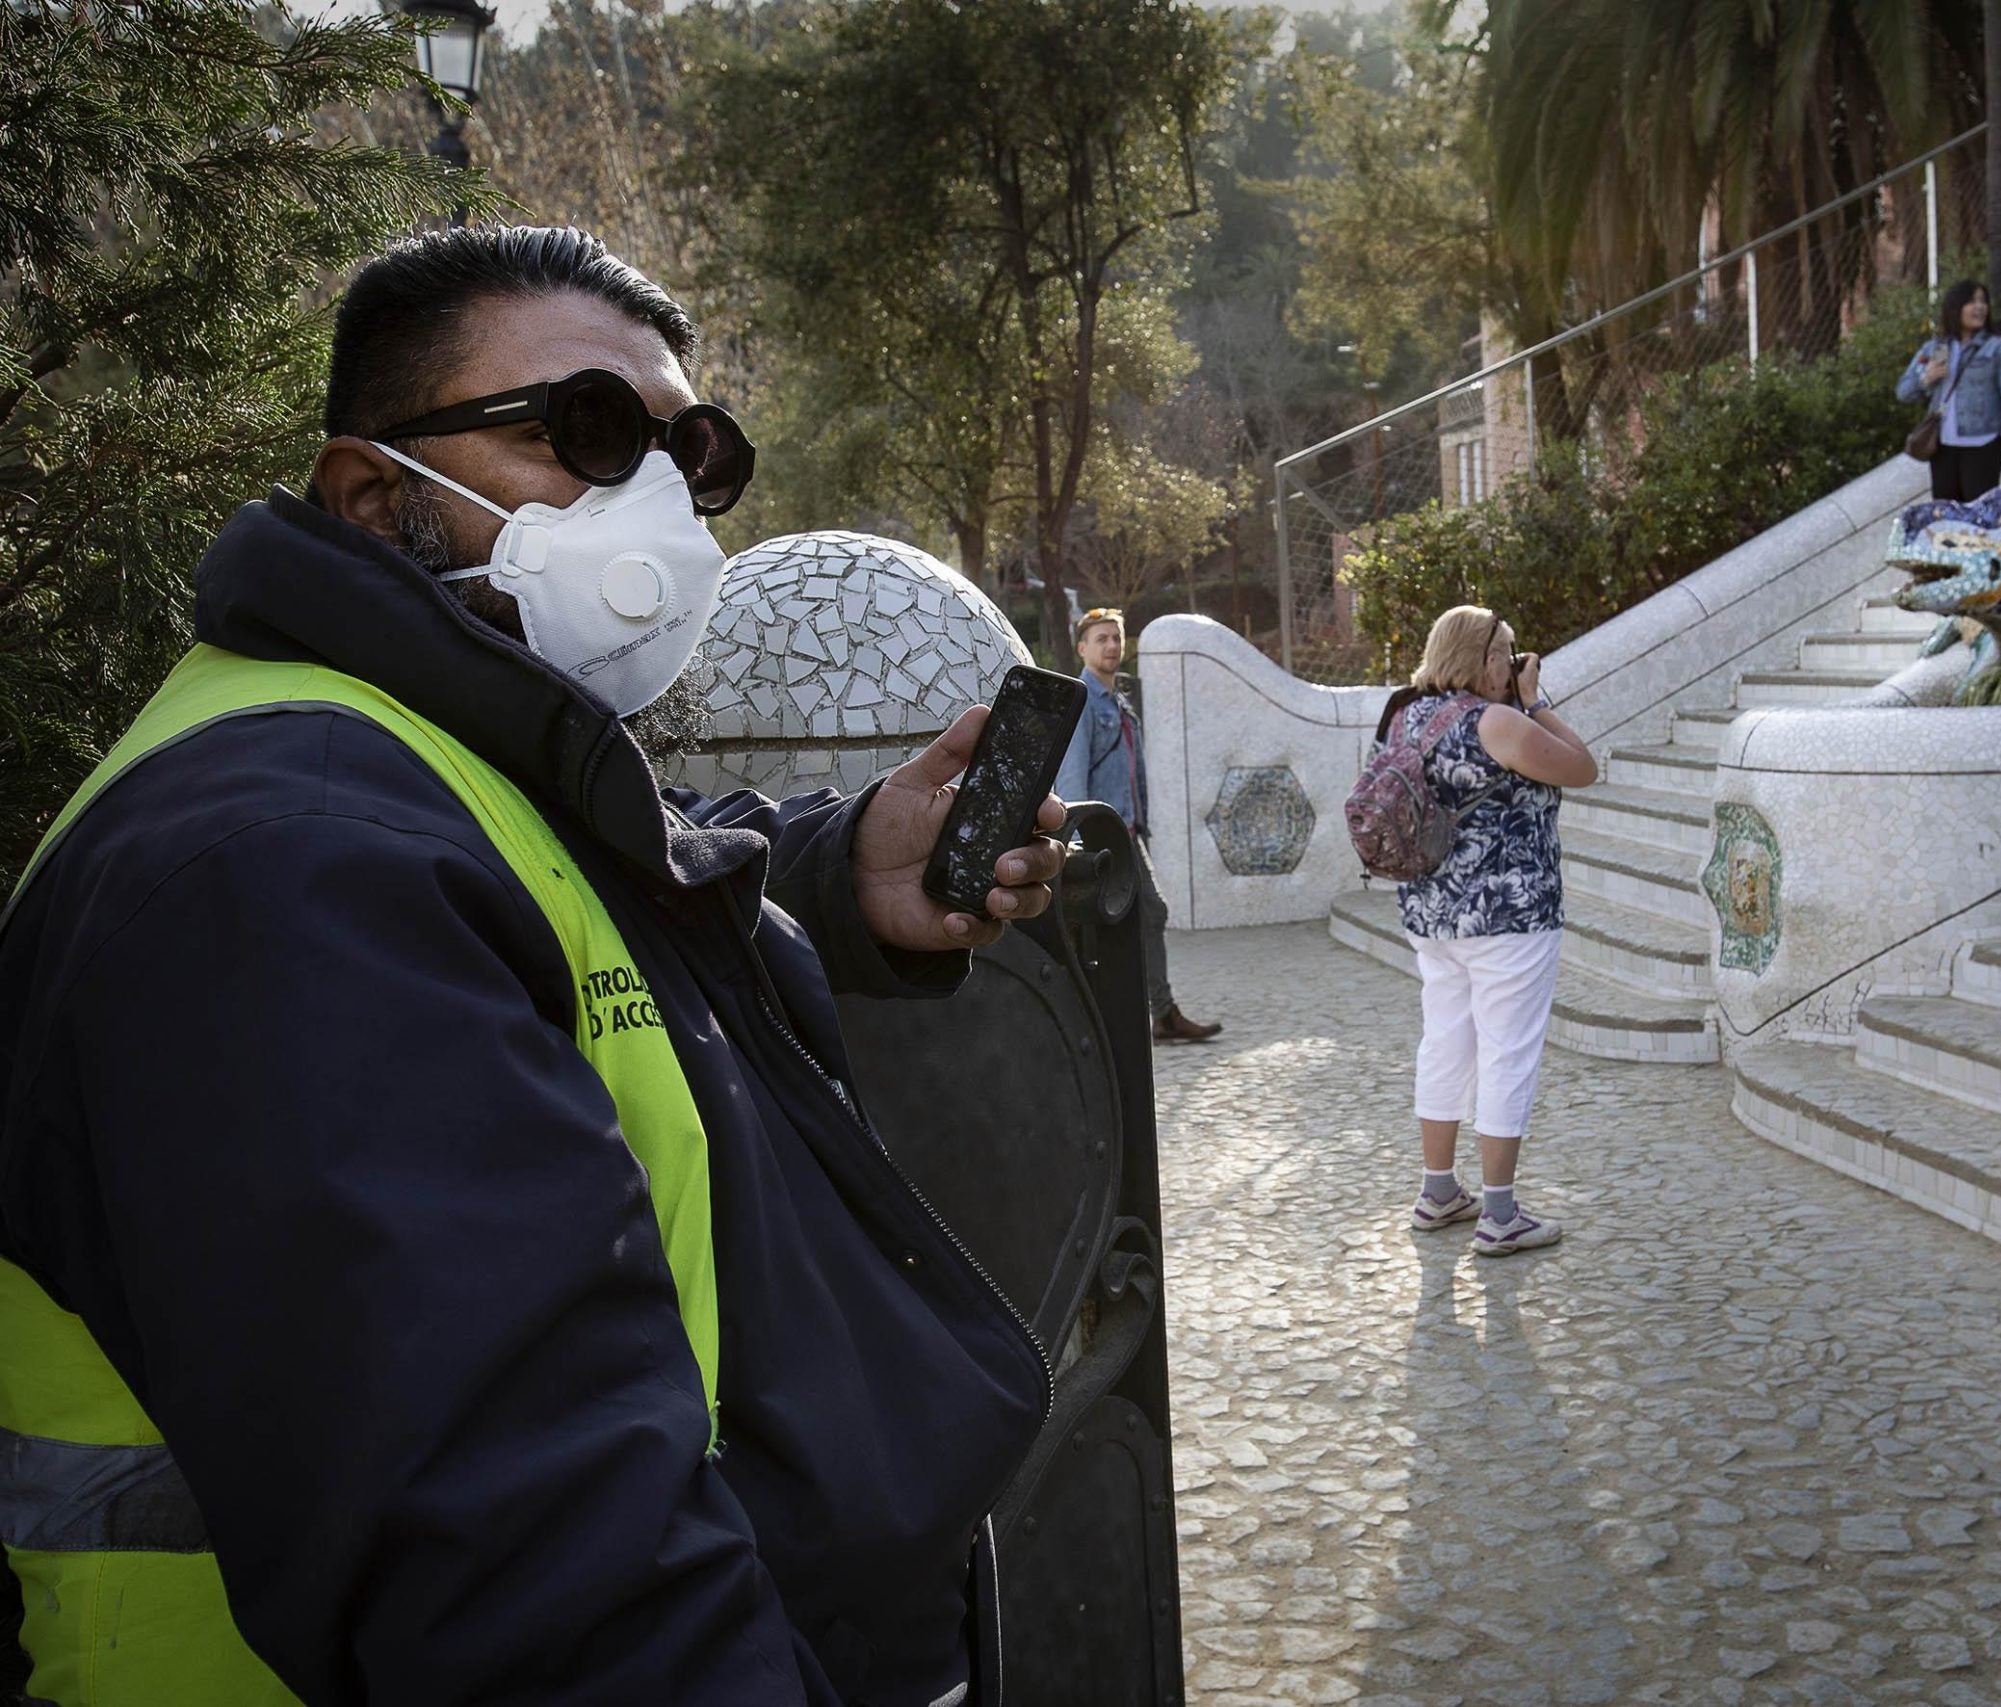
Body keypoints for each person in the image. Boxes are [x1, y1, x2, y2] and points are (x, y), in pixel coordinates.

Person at [0, 226, 1071, 1706]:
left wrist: (848, 872)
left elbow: (613, 901)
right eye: (585, 433)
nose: (659, 504)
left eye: (690, 456)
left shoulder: (437, 770)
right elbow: (540, 1575)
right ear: (377, 499)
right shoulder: (283, 870)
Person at [1387, 606, 1598, 1258]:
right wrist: (1537, 701)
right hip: (1510, 916)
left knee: (1445, 1043)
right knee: (1507, 1052)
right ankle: (1500, 1214)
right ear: (1481, 659)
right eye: (1505, 652)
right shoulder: (1499, 720)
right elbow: (1582, 766)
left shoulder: (1408, 716)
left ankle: (1439, 1191)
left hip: (1432, 912)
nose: (1513, 663)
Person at [1052, 607, 1221, 1044]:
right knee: (1129, 917)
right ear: (1082, 648)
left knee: (1131, 917)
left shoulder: (1119, 700)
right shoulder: (1085, 700)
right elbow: (1071, 775)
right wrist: (1079, 838)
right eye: (1101, 638)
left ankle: (1148, 1015)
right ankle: (1135, 1016)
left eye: (1116, 638)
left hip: (1127, 828)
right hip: (1102, 833)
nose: (1111, 645)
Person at [1896, 278, 2001, 501]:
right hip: (1942, 446)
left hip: (1983, 443)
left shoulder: (1997, 347)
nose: (1979, 307)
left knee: (1978, 516)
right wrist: (1926, 378)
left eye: (1983, 301)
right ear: (1955, 308)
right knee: (1946, 517)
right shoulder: (1937, 348)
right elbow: (1903, 392)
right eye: (1972, 302)